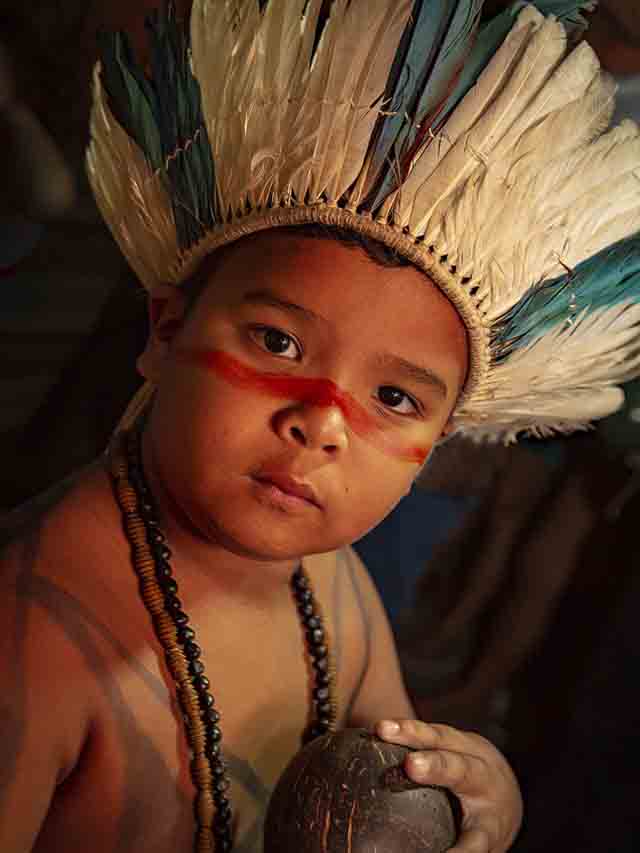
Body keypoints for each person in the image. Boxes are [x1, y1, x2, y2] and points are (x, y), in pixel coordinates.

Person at [1, 1, 638, 852]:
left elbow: (402, 755)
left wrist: (480, 800)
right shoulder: (32, 637)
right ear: (165, 331)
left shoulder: (328, 580)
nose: (322, 422)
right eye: (278, 341)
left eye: (397, 398)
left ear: (440, 444)